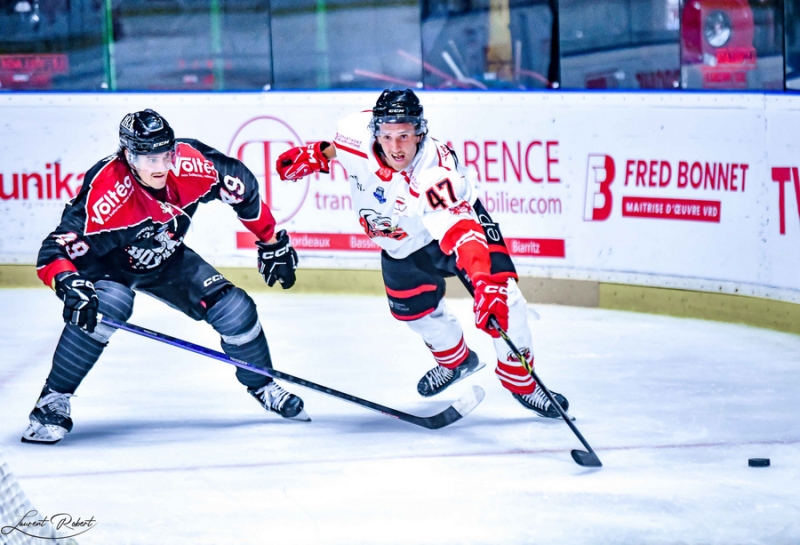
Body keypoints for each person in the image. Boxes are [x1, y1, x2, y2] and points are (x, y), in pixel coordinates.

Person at [275, 89, 570, 418]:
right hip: (401, 242)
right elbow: (339, 149)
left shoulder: (434, 173)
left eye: (404, 136)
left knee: (505, 297)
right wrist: (317, 155)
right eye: (387, 136)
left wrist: (484, 282)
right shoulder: (353, 132)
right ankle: (456, 362)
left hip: (454, 224)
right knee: (413, 311)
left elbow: (461, 232)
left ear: (419, 132)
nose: (396, 146)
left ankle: (522, 383)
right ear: (375, 133)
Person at [23, 109, 308, 445]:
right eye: (147, 158)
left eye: (164, 155)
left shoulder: (190, 166)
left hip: (164, 254)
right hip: (105, 265)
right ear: (129, 155)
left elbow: (239, 182)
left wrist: (271, 241)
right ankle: (51, 401)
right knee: (109, 304)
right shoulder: (107, 195)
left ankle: (262, 383)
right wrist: (69, 283)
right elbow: (53, 250)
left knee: (236, 309)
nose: (159, 167)